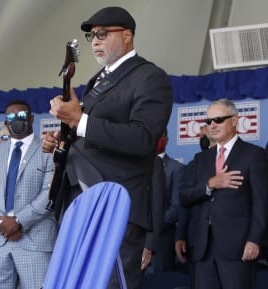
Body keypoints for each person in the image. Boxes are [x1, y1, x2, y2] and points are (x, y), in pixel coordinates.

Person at [42, 6, 173, 289]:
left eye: (103, 33)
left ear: (127, 36)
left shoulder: (150, 77)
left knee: (110, 283)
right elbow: (93, 133)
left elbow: (142, 139)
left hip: (115, 202)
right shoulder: (97, 81)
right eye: (92, 36)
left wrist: (79, 119)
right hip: (80, 199)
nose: (96, 40)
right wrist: (64, 139)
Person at [179, 98, 268, 289]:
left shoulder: (253, 154)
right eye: (208, 121)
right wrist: (210, 184)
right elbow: (184, 196)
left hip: (238, 247)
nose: (212, 125)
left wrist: (254, 240)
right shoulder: (201, 158)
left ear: (235, 120)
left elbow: (262, 203)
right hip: (202, 248)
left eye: (218, 119)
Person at [0, 100, 57, 289]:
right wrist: (0, 223)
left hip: (35, 240)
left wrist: (18, 221)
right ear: (6, 123)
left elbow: (50, 192)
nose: (16, 120)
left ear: (31, 118)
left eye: (21, 116)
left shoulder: (49, 151)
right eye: (11, 117)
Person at [145, 129, 186, 273]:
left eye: (159, 136)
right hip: (135, 239)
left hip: (161, 240)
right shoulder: (136, 167)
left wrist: (151, 226)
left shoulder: (177, 169)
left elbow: (176, 208)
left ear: (167, 139)